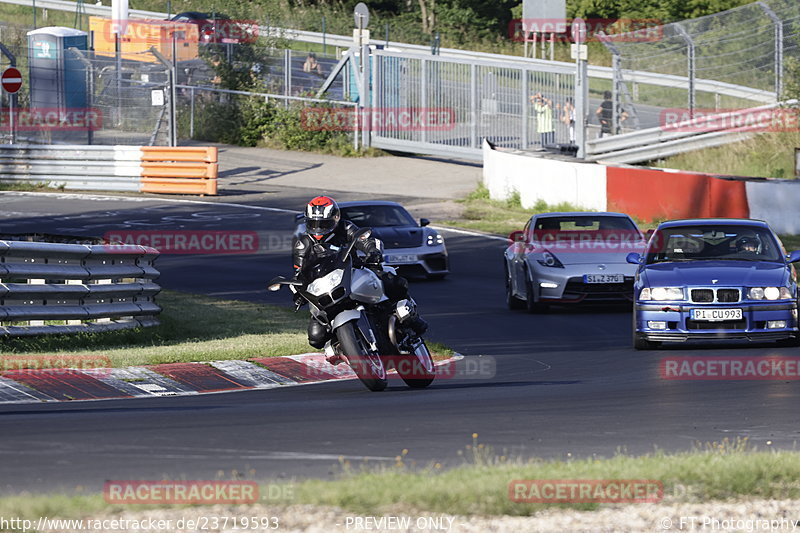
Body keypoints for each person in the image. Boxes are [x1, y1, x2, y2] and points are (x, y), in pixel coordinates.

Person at [292, 196, 427, 351]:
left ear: (335, 218)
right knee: (316, 337)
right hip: (324, 286)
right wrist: (298, 291)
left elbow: (366, 240)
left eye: (323, 223)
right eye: (313, 223)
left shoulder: (346, 228)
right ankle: (341, 346)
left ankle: (411, 316)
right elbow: (299, 271)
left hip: (354, 270)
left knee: (392, 282)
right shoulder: (303, 243)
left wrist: (372, 251)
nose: (318, 228)